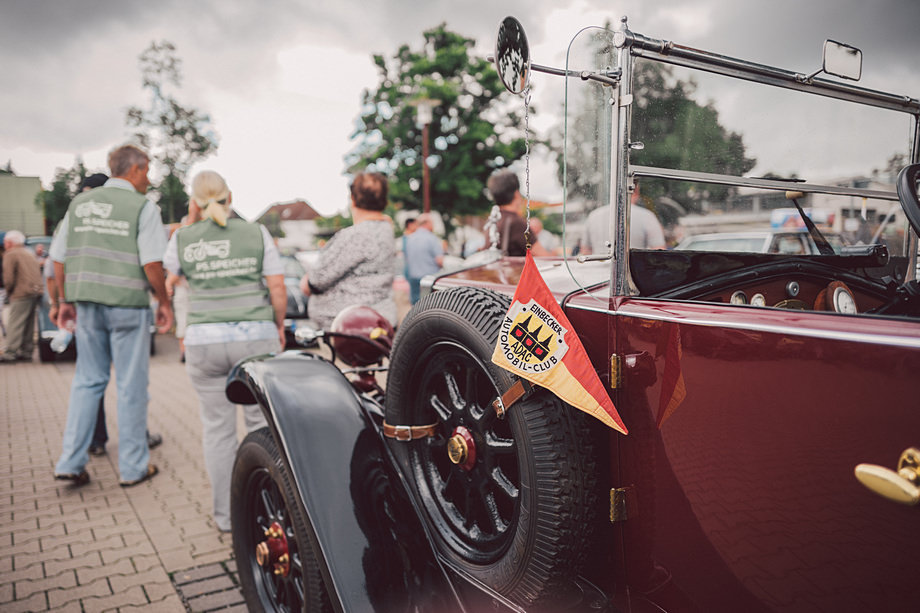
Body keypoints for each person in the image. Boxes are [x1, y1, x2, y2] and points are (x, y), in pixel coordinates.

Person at [164, 170, 286, 532]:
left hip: (204, 341)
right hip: (255, 337)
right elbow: (277, 287)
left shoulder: (182, 237)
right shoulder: (256, 233)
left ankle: (227, 517)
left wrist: (192, 223)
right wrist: (278, 325)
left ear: (194, 201)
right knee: (261, 424)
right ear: (230, 197)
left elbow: (171, 278)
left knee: (217, 431)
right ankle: (269, 511)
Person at [51, 144, 173, 487]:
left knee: (87, 381)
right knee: (131, 386)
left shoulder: (80, 204)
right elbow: (152, 263)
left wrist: (64, 300)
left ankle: (70, 461)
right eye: (146, 171)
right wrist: (164, 302)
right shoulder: (142, 207)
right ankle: (133, 468)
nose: (148, 179)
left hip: (88, 306)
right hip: (128, 306)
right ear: (134, 169)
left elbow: (58, 258)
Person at [299, 171, 397, 329]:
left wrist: (307, 281)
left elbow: (316, 281)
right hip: (378, 319)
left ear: (353, 199)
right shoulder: (385, 230)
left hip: (348, 328)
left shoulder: (357, 235)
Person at [583, 182, 666, 254]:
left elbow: (585, 252)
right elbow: (659, 251)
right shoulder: (647, 216)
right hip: (631, 267)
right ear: (636, 191)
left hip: (599, 267)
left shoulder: (594, 215)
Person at [0, 230, 43, 362]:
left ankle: (10, 352)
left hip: (21, 292)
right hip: (35, 291)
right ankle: (27, 351)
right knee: (29, 323)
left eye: (5, 242)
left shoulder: (11, 254)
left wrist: (9, 292)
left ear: (9, 243)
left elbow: (8, 277)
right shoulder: (28, 252)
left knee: (15, 323)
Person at [486, 170, 550, 257]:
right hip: (513, 266)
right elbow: (543, 256)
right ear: (516, 194)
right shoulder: (517, 223)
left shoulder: (492, 221)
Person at [404, 213, 444, 304]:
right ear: (427, 223)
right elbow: (440, 260)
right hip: (429, 279)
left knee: (415, 306)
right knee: (429, 305)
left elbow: (407, 258)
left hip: (413, 277)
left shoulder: (410, 238)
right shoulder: (432, 238)